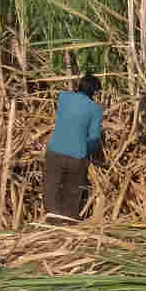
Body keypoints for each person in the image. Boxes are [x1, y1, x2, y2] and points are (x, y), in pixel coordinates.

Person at [45, 71, 104, 223]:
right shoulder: (96, 109)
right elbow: (94, 138)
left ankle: (52, 222)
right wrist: (91, 152)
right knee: (73, 191)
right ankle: (68, 225)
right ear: (95, 91)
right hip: (77, 157)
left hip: (55, 152)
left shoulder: (64, 97)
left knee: (52, 187)